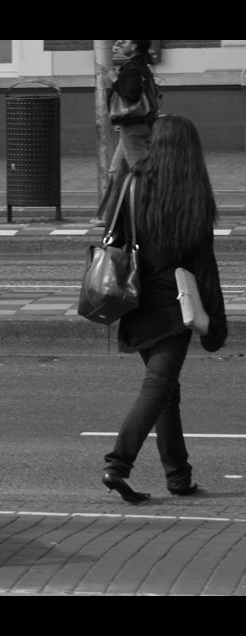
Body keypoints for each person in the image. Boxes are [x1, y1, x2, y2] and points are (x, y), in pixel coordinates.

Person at [101, 114, 227, 504]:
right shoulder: (194, 199)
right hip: (175, 308)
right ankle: (117, 464)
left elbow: (113, 235)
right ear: (190, 151)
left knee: (166, 392)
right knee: (157, 388)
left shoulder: (131, 182)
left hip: (135, 300)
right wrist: (216, 326)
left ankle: (179, 477)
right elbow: (205, 271)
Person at [93, 40, 157, 227]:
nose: (119, 43)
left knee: (142, 170)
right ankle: (111, 216)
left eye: (125, 41)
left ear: (135, 45)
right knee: (117, 170)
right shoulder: (143, 64)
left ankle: (156, 210)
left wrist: (114, 79)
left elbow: (131, 93)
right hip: (138, 124)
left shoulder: (132, 67)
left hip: (133, 127)